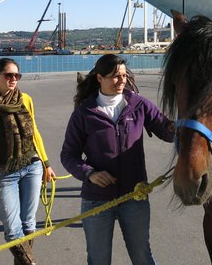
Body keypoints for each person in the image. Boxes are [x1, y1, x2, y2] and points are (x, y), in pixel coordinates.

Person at [60, 54, 174, 265]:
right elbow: (68, 155)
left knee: (142, 256)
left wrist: (190, 126)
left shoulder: (139, 105)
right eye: (114, 76)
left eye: (123, 75)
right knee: (99, 259)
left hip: (135, 197)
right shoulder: (84, 113)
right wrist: (90, 174)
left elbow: (167, 131)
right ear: (99, 78)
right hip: (96, 200)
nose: (121, 81)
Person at [0, 58, 56, 265]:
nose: (13, 79)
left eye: (16, 76)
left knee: (28, 223)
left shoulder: (25, 99)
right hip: (5, 173)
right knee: (12, 229)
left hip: (32, 166)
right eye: (8, 75)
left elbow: (34, 131)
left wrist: (46, 163)